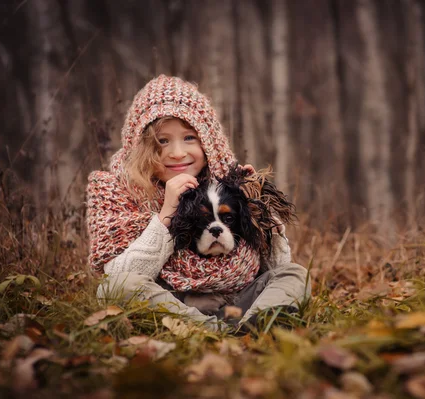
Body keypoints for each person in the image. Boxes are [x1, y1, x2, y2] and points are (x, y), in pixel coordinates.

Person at [86, 74, 310, 331]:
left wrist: (260, 208)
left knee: (294, 275)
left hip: (239, 300)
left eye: (189, 138)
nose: (177, 153)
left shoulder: (228, 184)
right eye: (162, 141)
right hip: (174, 302)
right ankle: (218, 331)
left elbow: (277, 266)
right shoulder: (115, 189)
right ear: (141, 147)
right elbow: (121, 273)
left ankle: (251, 324)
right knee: (115, 287)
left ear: (208, 142)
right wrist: (166, 214)